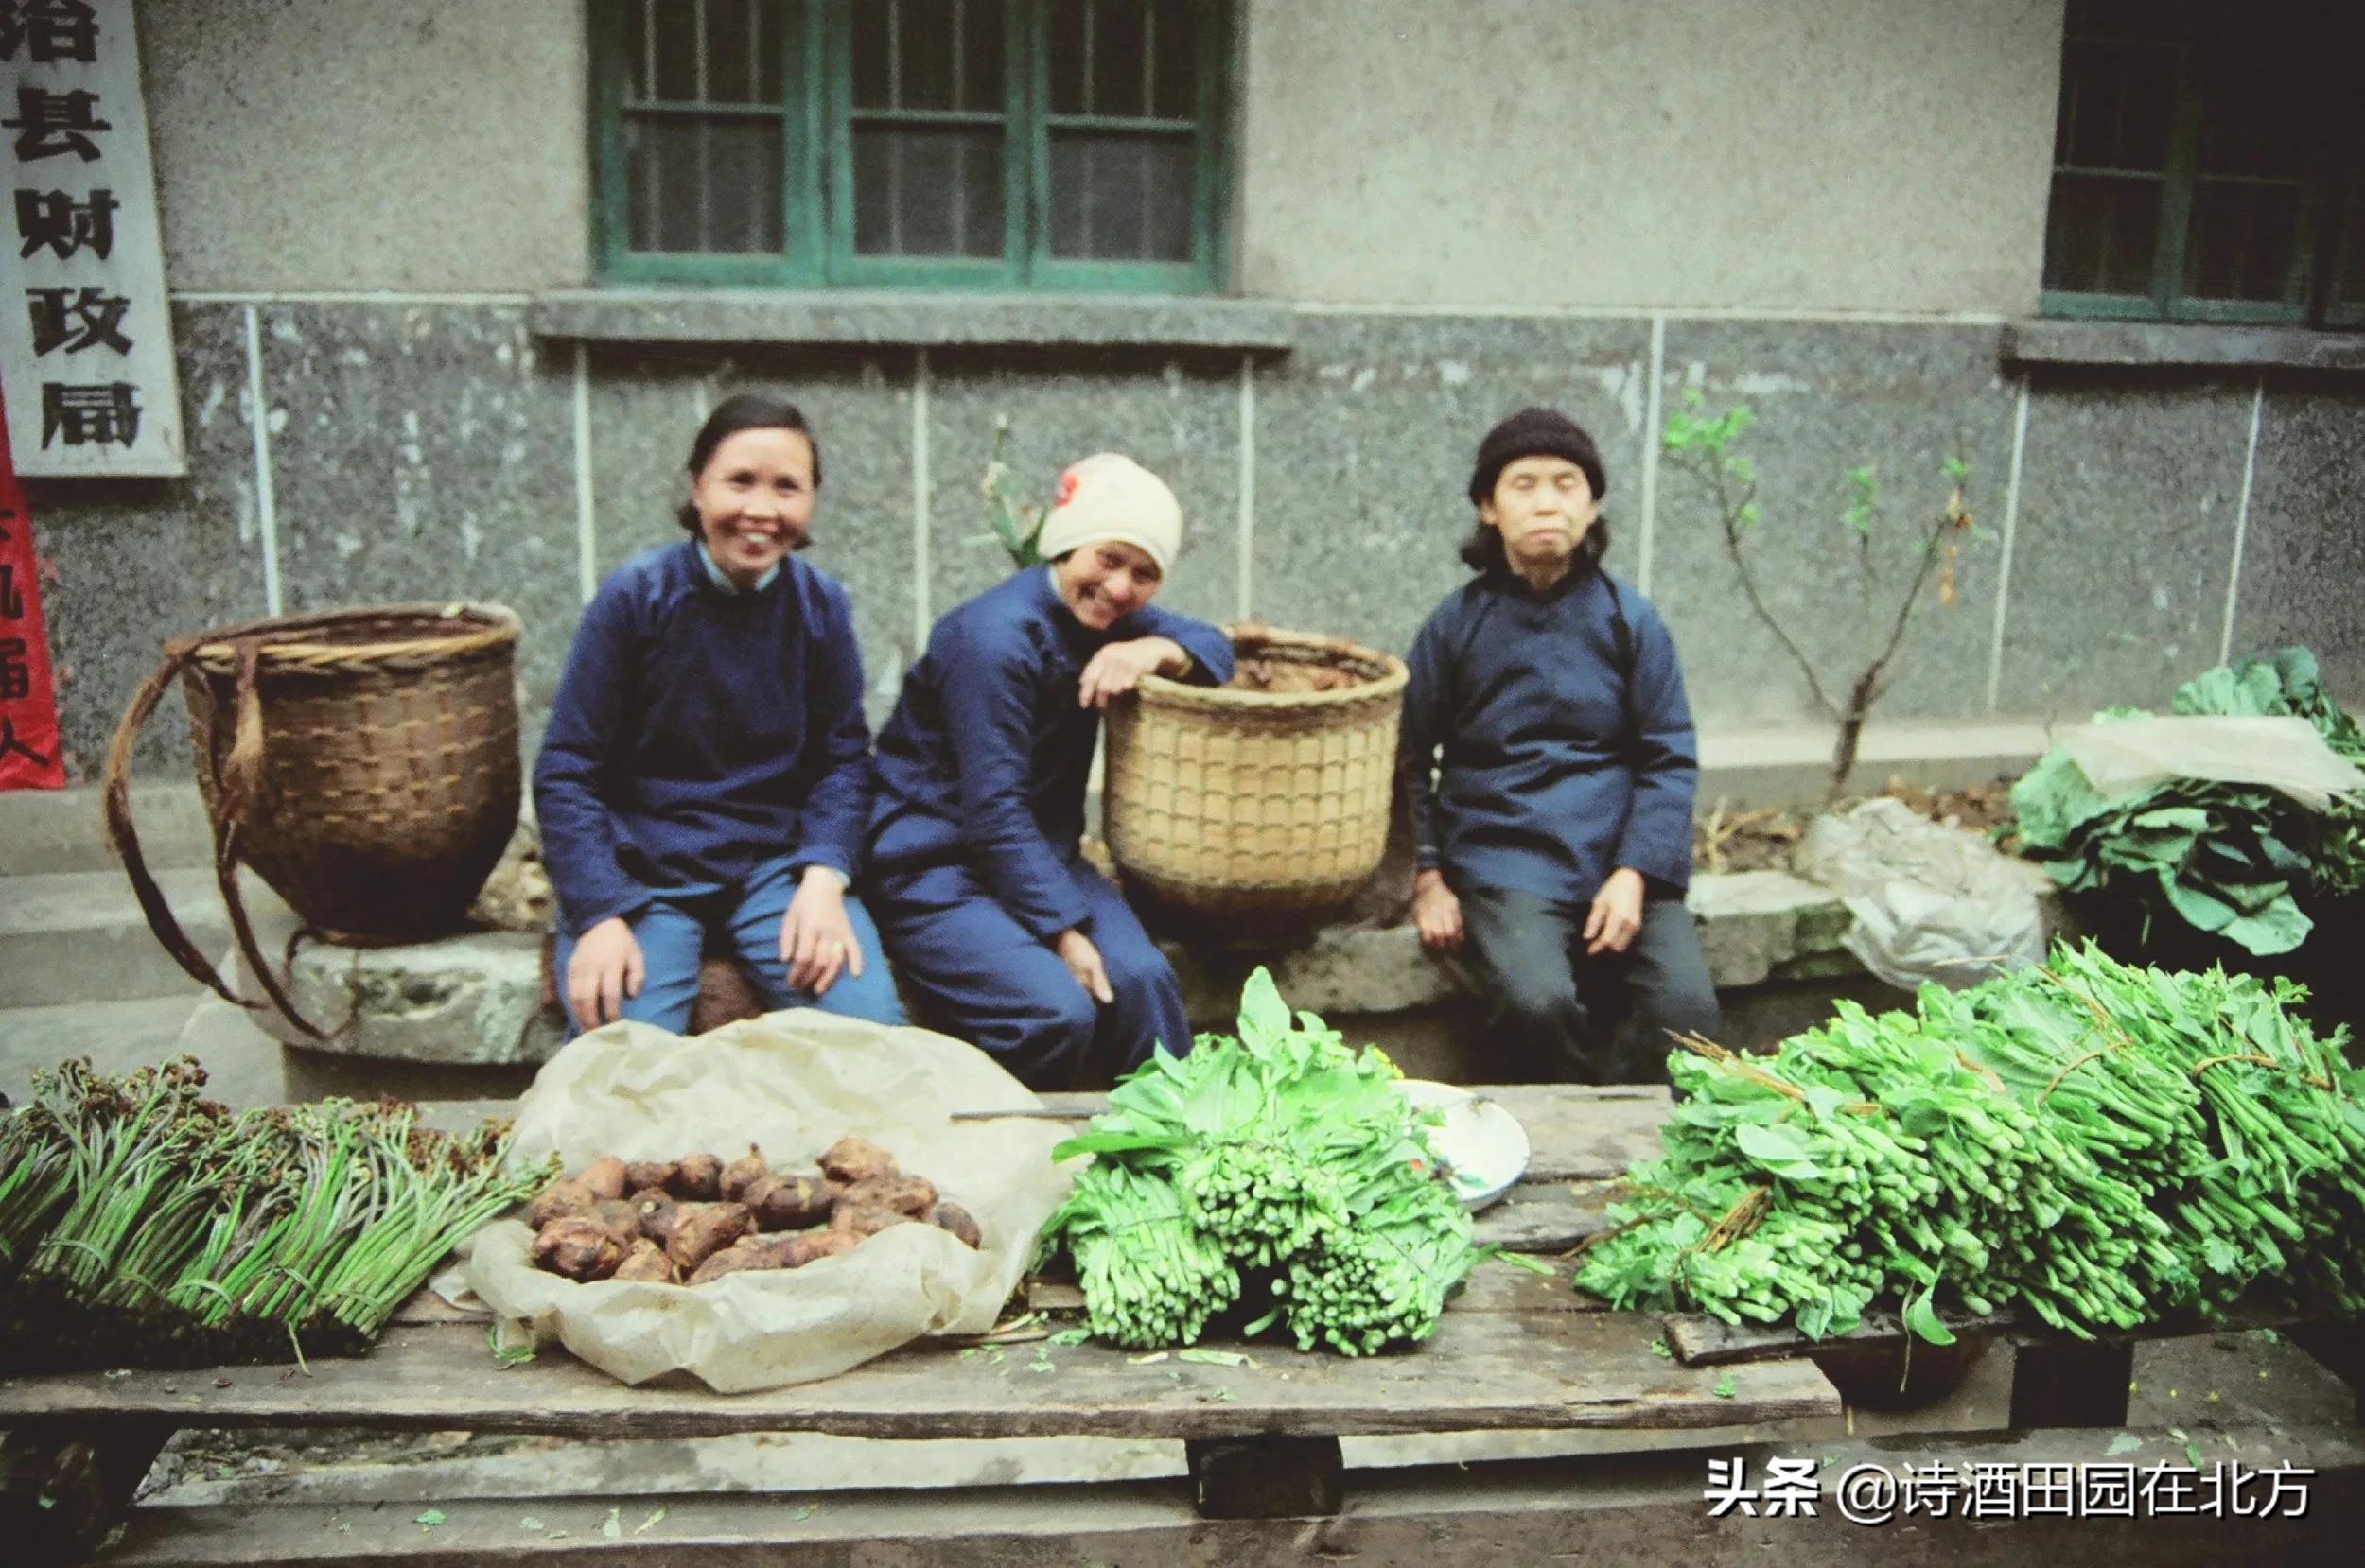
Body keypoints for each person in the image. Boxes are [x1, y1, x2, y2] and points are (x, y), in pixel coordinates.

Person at [534, 392, 906, 1035]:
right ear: (698, 489)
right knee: (626, 1055)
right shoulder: (636, 599)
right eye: (740, 482)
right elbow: (567, 769)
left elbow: (842, 761)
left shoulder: (820, 607)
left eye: (786, 488)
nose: (761, 511)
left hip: (774, 870)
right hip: (645, 874)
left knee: (868, 1032)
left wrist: (824, 878)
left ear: (811, 501)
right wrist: (599, 913)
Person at [867, 454, 1235, 1089]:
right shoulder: (993, 640)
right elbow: (993, 810)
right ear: (1066, 547)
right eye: (1107, 559)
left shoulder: (1109, 621)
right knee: (1054, 1011)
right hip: (935, 866)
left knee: (1144, 983)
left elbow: (1219, 645)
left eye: (1144, 574)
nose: (1120, 587)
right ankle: (1000, 1141)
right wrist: (1062, 931)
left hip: (1041, 854)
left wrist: (1158, 649)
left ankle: (1170, 1150)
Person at [1400, 407, 1718, 1084]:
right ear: (1489, 507)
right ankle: (1565, 1136)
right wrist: (1427, 877)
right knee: (1534, 1004)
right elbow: (1405, 759)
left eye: (1566, 483)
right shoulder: (1454, 627)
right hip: (1504, 858)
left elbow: (1669, 754)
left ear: (1593, 502)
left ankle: (1639, 1150)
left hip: (1618, 854)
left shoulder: (1631, 621)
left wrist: (1635, 875)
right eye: (1524, 484)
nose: (1547, 502)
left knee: (1687, 1012)